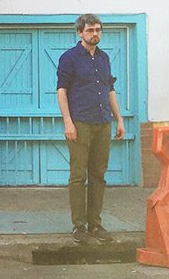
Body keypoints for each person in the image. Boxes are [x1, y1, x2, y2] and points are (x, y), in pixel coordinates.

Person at [56, 14, 125, 244]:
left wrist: (119, 119)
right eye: (90, 30)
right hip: (80, 123)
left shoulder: (104, 58)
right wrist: (68, 122)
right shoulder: (69, 58)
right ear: (80, 33)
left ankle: (95, 224)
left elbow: (110, 89)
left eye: (98, 30)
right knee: (78, 176)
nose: (95, 34)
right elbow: (62, 91)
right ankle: (79, 227)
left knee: (98, 175)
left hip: (102, 122)